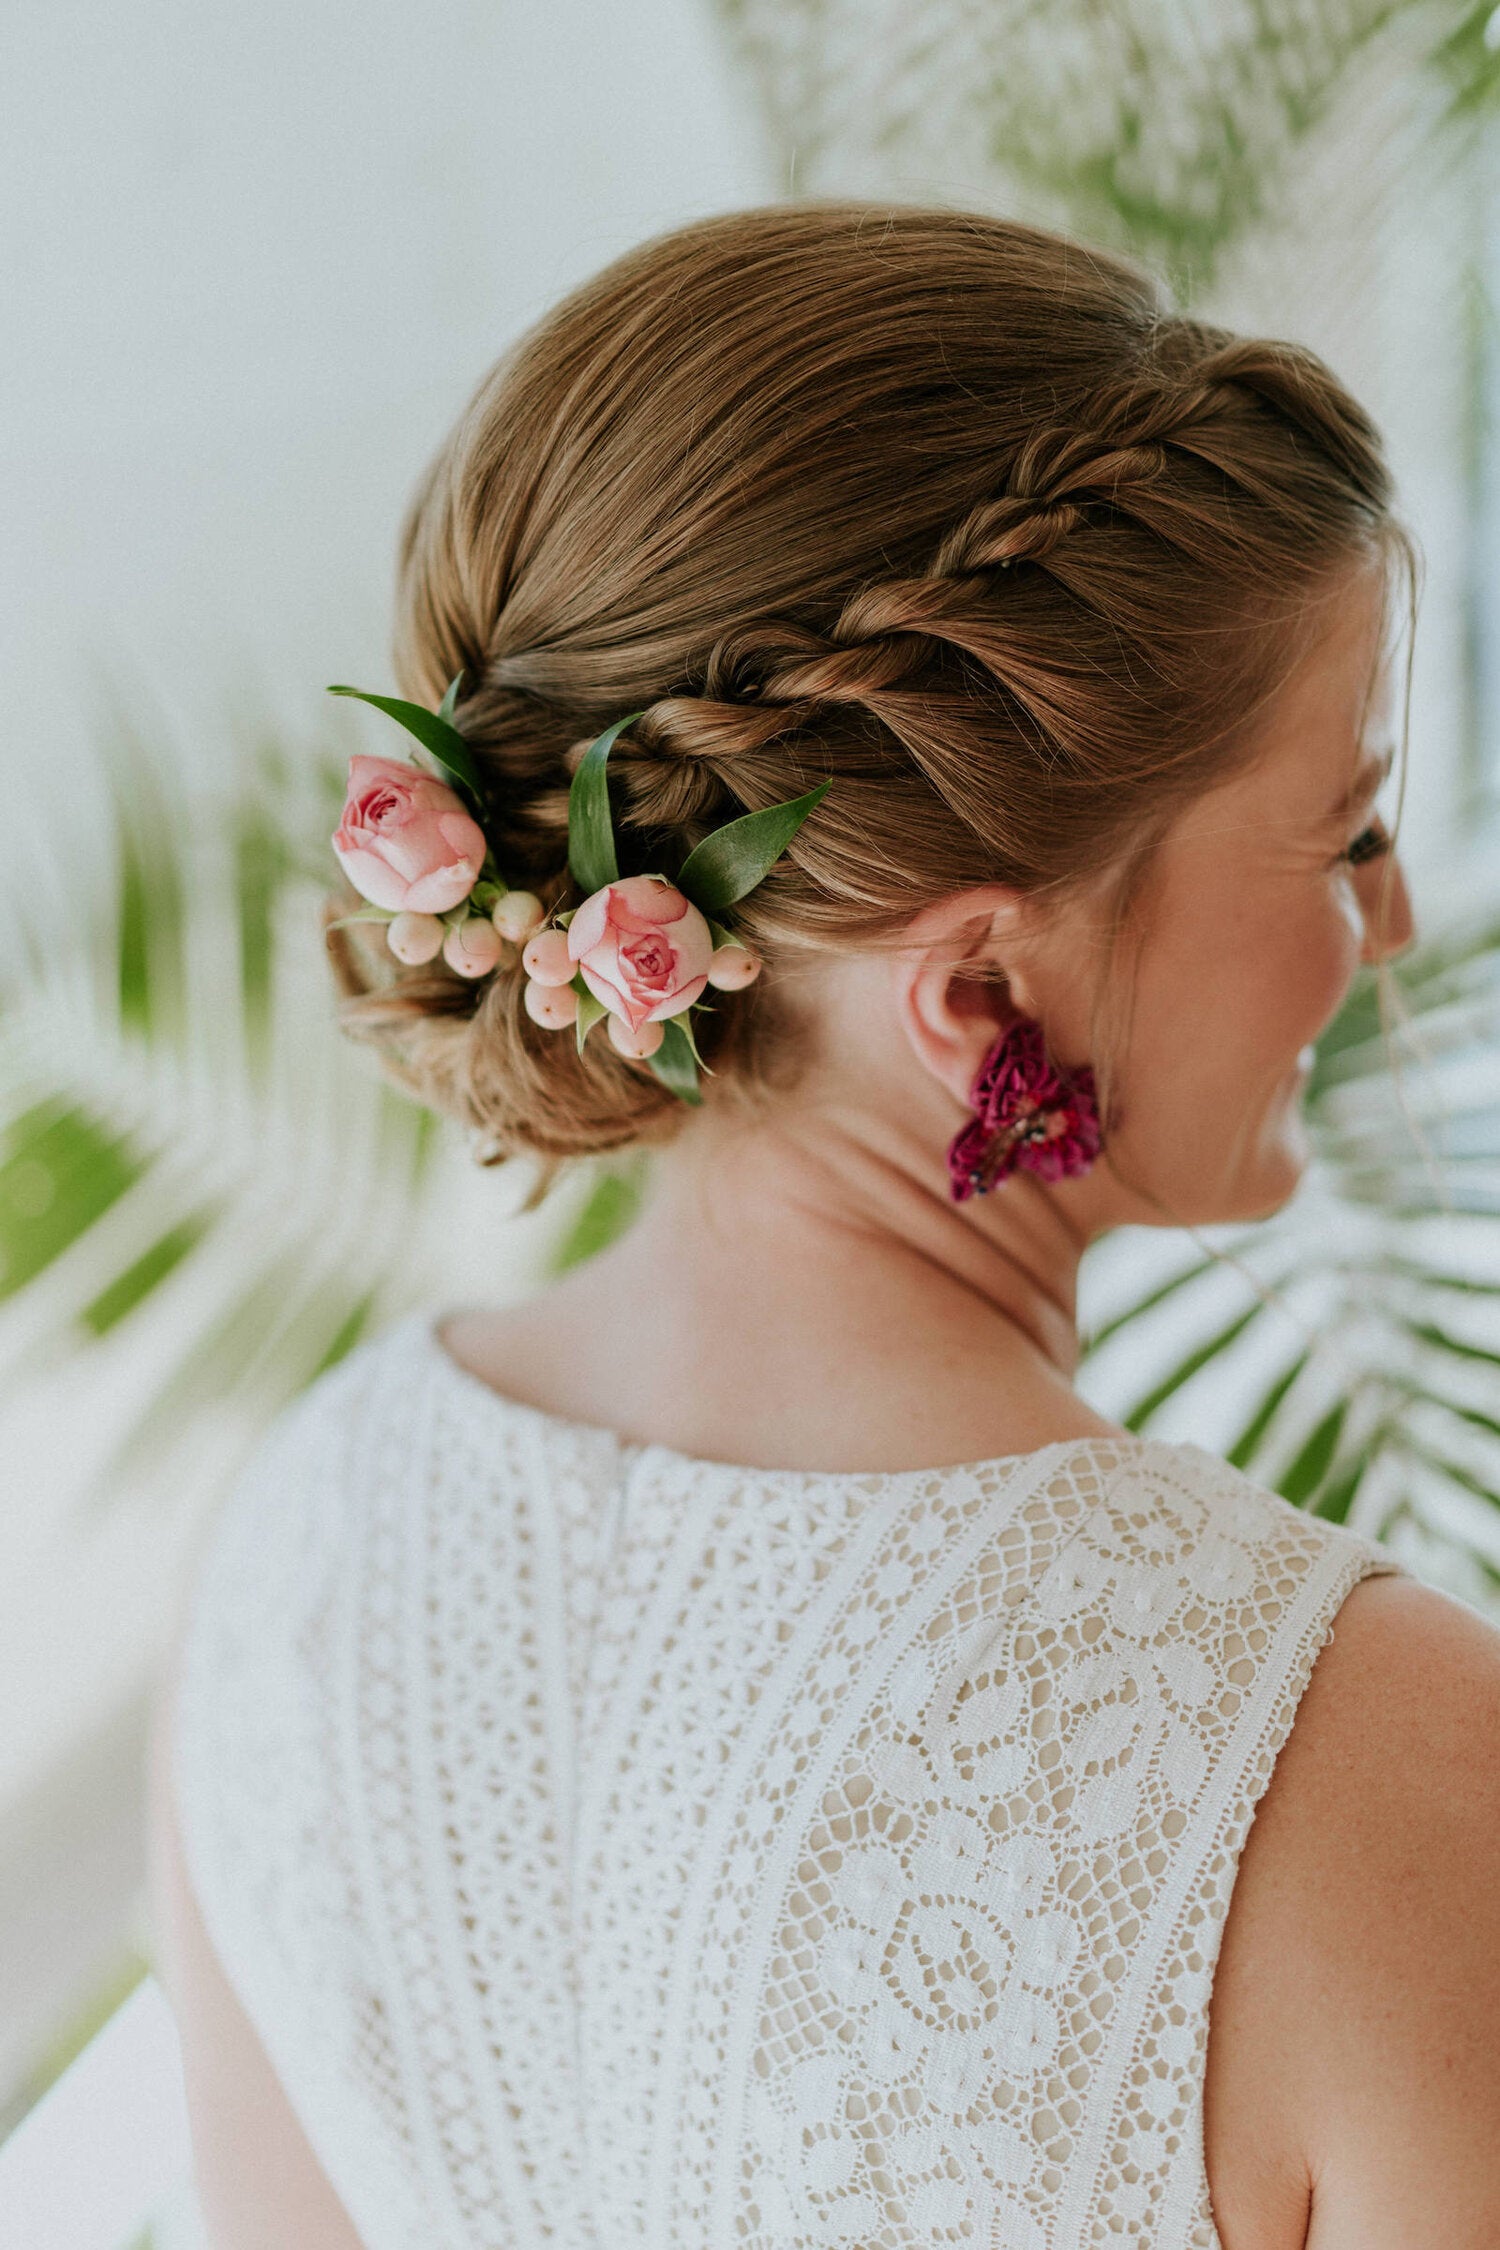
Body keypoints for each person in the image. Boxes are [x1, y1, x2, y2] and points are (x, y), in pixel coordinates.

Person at [149, 204, 1500, 2249]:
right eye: (1348, 829)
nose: (1385, 927)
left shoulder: (298, 1542)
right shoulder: (1385, 1771)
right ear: (980, 999)